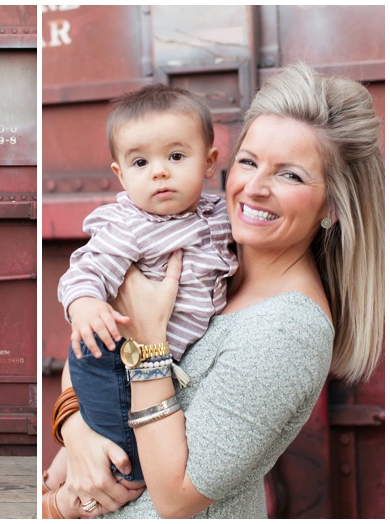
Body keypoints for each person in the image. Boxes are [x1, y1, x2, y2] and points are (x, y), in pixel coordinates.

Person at [43, 63, 384, 518]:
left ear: (334, 206)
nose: (254, 188)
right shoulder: (203, 249)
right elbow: (91, 340)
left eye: (291, 175)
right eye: (249, 161)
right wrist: (76, 432)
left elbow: (176, 497)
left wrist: (147, 345)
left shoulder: (286, 331)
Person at [55, 84, 238, 489]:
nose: (159, 171)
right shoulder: (130, 226)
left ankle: (65, 467)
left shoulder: (222, 215)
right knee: (130, 469)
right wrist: (85, 303)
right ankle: (69, 481)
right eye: (140, 162)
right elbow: (87, 268)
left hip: (152, 361)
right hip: (114, 361)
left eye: (176, 156)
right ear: (120, 174)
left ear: (209, 162)